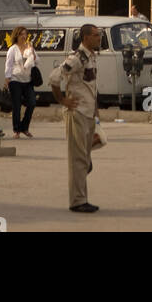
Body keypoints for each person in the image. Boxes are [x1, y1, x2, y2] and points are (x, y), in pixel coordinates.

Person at [50, 24, 102, 213]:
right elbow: (55, 77)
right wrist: (63, 100)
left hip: (88, 112)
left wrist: (96, 111)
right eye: (96, 35)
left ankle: (80, 196)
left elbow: (91, 86)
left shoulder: (91, 57)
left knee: (84, 159)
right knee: (78, 159)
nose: (99, 38)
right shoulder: (77, 58)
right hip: (77, 112)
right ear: (86, 37)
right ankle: (78, 201)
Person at [4, 26, 38, 140]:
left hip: (28, 80)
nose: (24, 36)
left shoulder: (29, 47)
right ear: (16, 36)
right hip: (15, 79)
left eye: (25, 34)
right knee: (17, 105)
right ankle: (17, 129)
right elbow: (8, 64)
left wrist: (32, 51)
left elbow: (37, 61)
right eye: (21, 34)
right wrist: (7, 78)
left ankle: (24, 127)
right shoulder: (13, 49)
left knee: (32, 103)